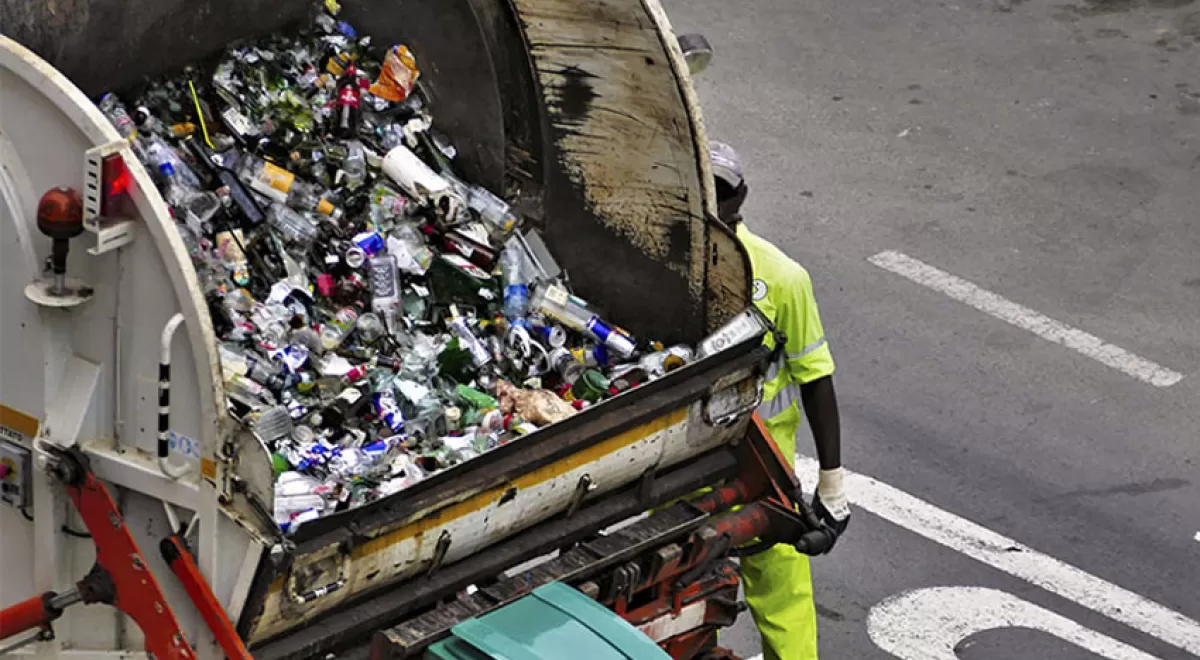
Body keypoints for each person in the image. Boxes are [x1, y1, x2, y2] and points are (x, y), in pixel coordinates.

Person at [709, 141, 851, 660]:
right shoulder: (668, 265)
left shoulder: (783, 277)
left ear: (741, 197)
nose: (713, 204)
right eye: (703, 190)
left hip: (761, 473)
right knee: (685, 599)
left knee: (785, 611)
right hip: (685, 469)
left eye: (722, 192)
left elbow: (817, 379)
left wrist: (832, 485)